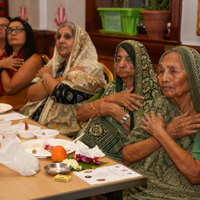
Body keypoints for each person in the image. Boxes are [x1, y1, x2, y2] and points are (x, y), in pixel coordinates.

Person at [122, 46, 200, 199]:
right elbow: (127, 155)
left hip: (184, 194)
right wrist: (168, 133)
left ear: (193, 75)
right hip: (142, 188)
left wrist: (161, 134)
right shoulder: (157, 106)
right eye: (161, 72)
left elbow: (195, 174)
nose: (164, 78)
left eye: (173, 71)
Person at [75, 40, 161, 162]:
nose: (121, 64)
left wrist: (114, 110)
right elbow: (80, 115)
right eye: (118, 59)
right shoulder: (111, 88)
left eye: (129, 60)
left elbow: (145, 137)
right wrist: (110, 99)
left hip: (117, 160)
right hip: (82, 150)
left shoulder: (152, 93)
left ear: (141, 63)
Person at [20, 22, 106, 136]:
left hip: (69, 131)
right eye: (58, 37)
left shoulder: (91, 67)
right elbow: (31, 94)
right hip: (37, 125)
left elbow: (61, 95)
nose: (61, 40)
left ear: (80, 42)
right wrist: (60, 80)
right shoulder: (55, 64)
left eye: (67, 37)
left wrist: (46, 77)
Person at [0, 17, 43, 111]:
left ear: (27, 34)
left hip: (18, 111)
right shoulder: (9, 56)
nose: (13, 33)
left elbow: (10, 89)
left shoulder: (33, 60)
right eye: (10, 30)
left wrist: (2, 67)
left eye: (18, 30)